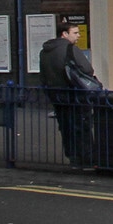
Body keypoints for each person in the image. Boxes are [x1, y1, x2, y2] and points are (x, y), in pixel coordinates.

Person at [38, 17, 98, 169]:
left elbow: (43, 75)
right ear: (64, 34)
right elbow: (87, 69)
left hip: (57, 96)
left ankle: (73, 159)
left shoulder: (44, 52)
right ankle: (87, 160)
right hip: (75, 95)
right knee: (81, 127)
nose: (78, 36)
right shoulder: (70, 49)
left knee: (66, 128)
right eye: (75, 33)